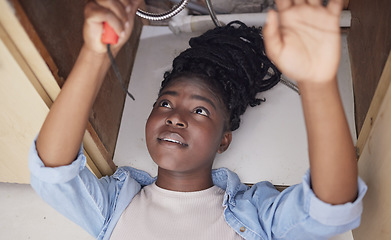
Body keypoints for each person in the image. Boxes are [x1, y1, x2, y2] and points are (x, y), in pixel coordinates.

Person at [28, 0, 367, 239]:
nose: (175, 117)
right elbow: (53, 173)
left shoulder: (255, 217)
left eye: (200, 110)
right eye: (164, 103)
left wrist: (317, 85)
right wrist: (94, 54)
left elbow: (332, 209)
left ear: (224, 138)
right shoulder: (115, 206)